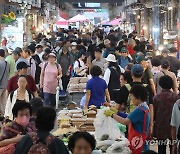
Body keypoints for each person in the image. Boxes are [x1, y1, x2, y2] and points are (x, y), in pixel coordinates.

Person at [104, 85, 150, 153]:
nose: (131, 99)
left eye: (132, 96)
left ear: (139, 97)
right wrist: (117, 112)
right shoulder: (144, 107)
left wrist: (112, 115)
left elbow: (125, 121)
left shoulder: (140, 110)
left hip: (138, 141)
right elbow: (129, 116)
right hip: (141, 139)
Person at [116, 64, 154, 135]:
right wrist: (151, 124)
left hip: (128, 123)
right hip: (144, 122)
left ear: (131, 74)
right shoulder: (147, 88)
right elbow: (151, 107)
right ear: (142, 75)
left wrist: (113, 113)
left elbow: (117, 107)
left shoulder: (124, 88)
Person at [0, 48, 10, 114]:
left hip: (0, 85)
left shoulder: (0, 63)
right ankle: (4, 116)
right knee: (4, 103)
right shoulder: (7, 63)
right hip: (5, 85)